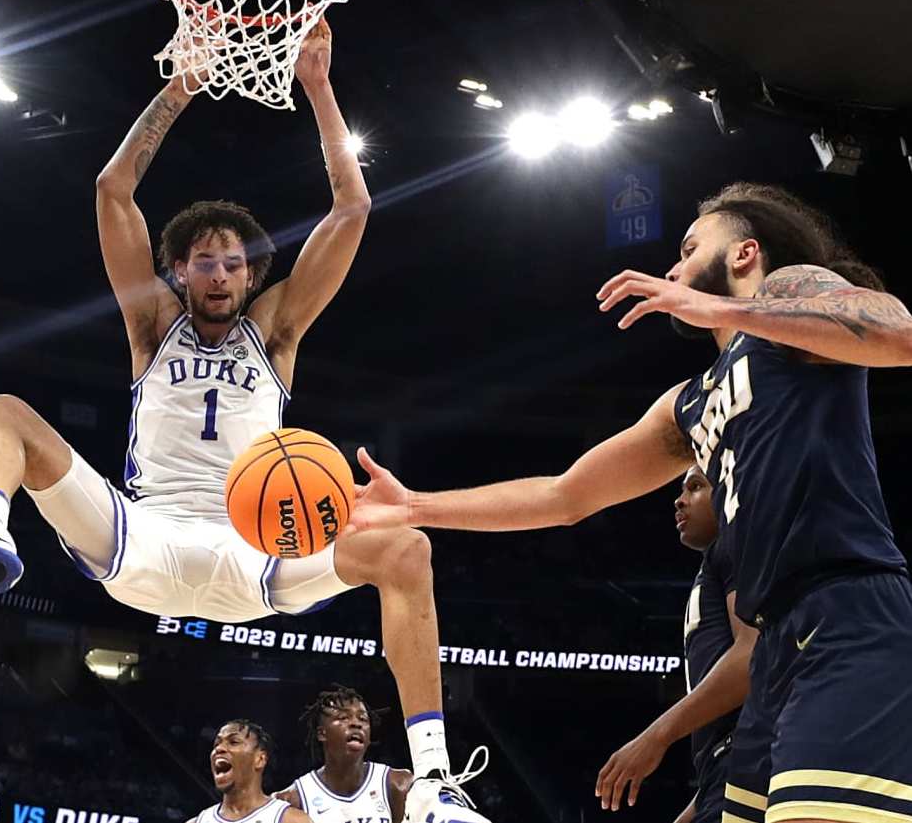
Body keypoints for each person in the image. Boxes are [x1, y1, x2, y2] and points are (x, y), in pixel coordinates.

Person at [0, 20, 485, 811]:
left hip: (258, 553)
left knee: (405, 550)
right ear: (177, 270)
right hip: (142, 538)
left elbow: (353, 205)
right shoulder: (149, 325)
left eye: (233, 261)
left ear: (253, 271)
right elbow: (110, 191)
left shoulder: (279, 328)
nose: (219, 273)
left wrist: (319, 88)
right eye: (203, 260)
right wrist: (181, 83)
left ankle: (432, 780)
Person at [349, 183, 912, 823]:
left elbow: (900, 335)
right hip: (777, 640)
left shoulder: (796, 298)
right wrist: (416, 506)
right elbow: (564, 495)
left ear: (744, 253)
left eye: (689, 248)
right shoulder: (688, 402)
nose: (673, 268)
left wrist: (719, 309)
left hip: (848, 611)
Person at [595, 468, 755, 823]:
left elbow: (750, 658)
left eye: (696, 487)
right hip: (726, 773)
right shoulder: (715, 563)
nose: (679, 500)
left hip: (750, 765)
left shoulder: (734, 545)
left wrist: (655, 737)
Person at [277, 685, 414, 823]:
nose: (356, 724)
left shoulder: (397, 784)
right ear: (322, 733)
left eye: (363, 719)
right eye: (344, 718)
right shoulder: (292, 800)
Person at [192, 720, 311, 823]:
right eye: (216, 744)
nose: (219, 749)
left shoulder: (290, 819)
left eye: (234, 742)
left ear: (260, 759)